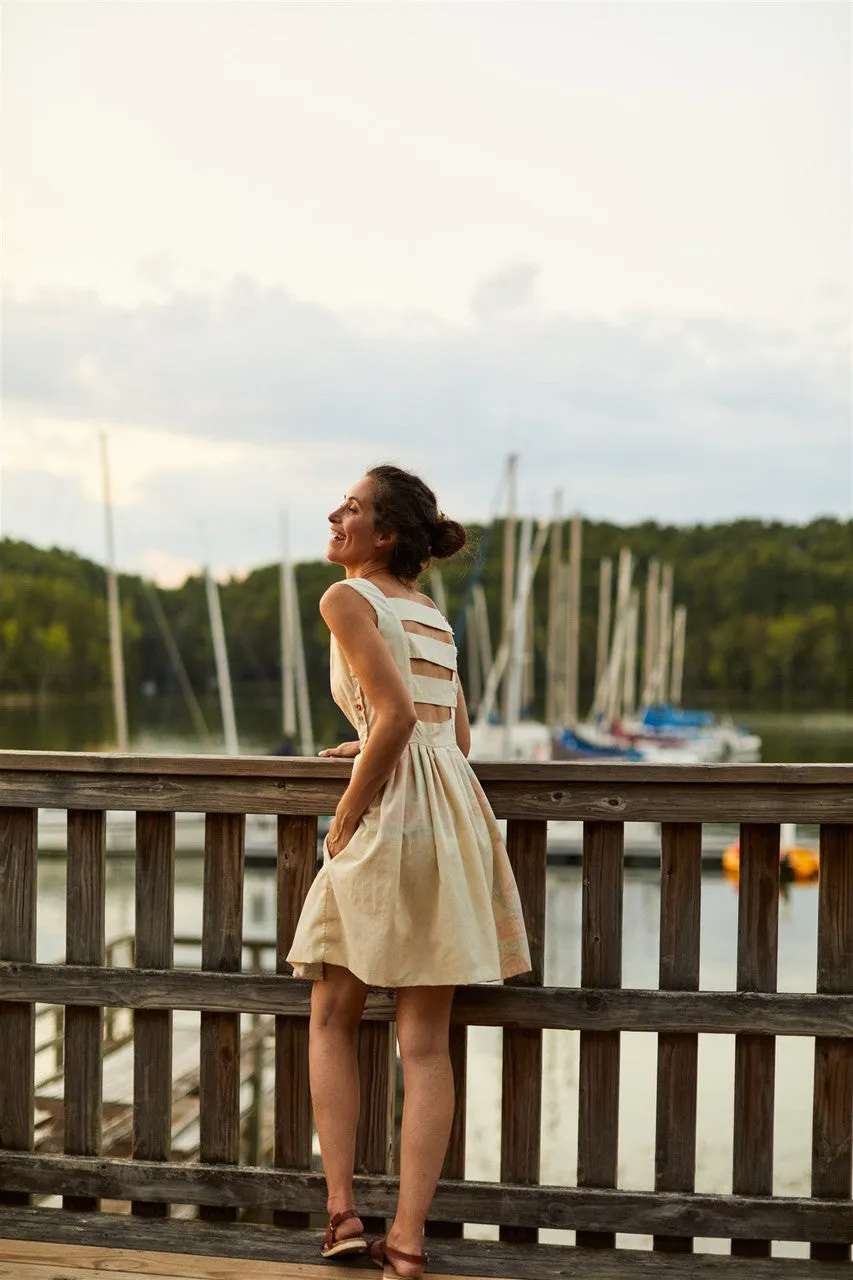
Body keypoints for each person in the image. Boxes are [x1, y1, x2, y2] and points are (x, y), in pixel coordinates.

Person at [287, 464, 531, 1278]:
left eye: (350, 508)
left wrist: (348, 811)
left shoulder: (346, 599)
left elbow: (393, 717)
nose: (335, 514)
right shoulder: (428, 612)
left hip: (392, 814)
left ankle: (341, 1214)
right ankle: (409, 1243)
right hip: (452, 811)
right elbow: (446, 736)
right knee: (423, 1043)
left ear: (383, 534)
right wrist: (376, 736)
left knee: (331, 1015)